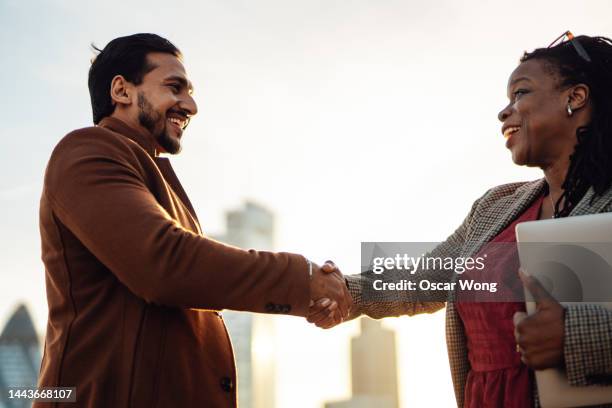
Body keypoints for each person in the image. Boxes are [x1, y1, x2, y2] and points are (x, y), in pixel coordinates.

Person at [36, 33, 351, 408]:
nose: (191, 105)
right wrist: (303, 279)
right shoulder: (87, 152)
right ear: (121, 90)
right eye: (175, 87)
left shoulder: (151, 177)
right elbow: (166, 263)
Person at [309, 33, 612, 407]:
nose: (504, 112)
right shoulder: (495, 206)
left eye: (520, 93)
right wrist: (347, 292)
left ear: (575, 97)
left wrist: (577, 336)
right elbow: (422, 278)